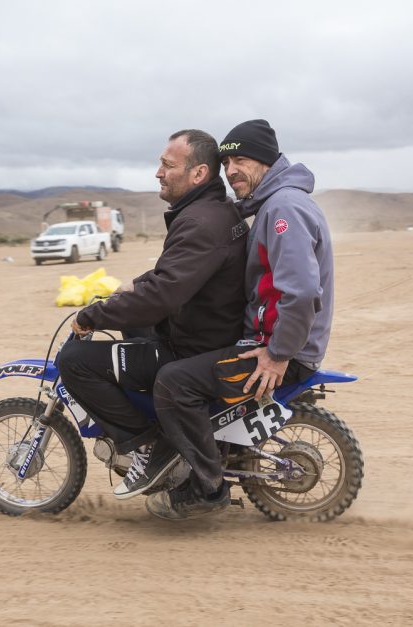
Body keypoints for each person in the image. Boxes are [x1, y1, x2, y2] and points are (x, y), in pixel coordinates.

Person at [145, 119, 335, 521]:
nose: (231, 171)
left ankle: (203, 490)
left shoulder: (283, 208)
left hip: (281, 349)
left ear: (267, 161)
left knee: (175, 381)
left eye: (242, 160)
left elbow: (300, 291)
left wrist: (279, 354)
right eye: (227, 161)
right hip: (271, 339)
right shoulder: (271, 204)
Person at [57, 129, 249, 500]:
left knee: (76, 360)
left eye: (167, 165)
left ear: (198, 174)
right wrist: (133, 287)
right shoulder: (212, 211)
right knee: (132, 324)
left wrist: (92, 316)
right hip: (207, 327)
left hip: (193, 346)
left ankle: (148, 447)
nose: (158, 173)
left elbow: (163, 295)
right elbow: (177, 276)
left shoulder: (198, 223)